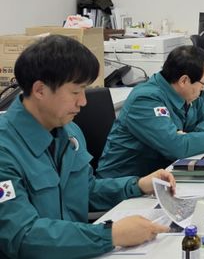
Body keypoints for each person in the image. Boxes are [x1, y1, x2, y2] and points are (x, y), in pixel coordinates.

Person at [0, 35, 175, 259]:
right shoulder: (5, 149)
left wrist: (138, 185)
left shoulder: (69, 133)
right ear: (40, 90)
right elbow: (22, 236)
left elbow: (86, 190)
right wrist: (110, 235)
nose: (83, 101)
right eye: (76, 92)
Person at [96, 45, 204, 178]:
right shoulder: (145, 99)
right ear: (184, 81)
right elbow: (177, 148)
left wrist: (191, 138)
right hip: (125, 184)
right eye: (203, 83)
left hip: (163, 173)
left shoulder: (187, 93)